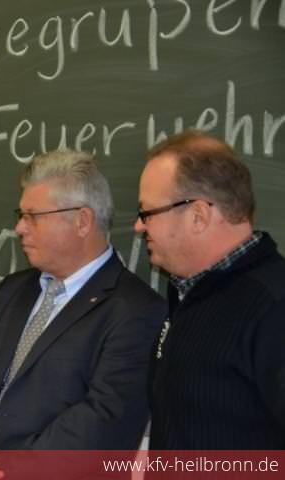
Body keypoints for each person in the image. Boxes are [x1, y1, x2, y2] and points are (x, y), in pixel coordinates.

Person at [0, 151, 166, 478]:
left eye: (32, 216)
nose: (19, 228)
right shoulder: (13, 290)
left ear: (82, 221)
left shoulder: (136, 310)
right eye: (21, 215)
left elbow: (102, 423)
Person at [135, 130, 285, 449]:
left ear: (198, 216)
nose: (138, 226)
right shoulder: (188, 294)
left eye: (147, 213)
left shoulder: (273, 306)